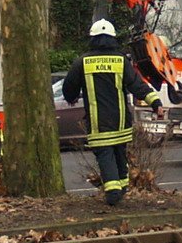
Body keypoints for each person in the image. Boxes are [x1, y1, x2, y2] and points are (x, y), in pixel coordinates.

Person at [63, 19, 165, 205]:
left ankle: (113, 194)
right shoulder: (121, 61)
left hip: (98, 122)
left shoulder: (82, 62)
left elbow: (69, 88)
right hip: (121, 122)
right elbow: (137, 85)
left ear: (92, 39)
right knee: (119, 152)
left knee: (105, 155)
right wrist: (155, 102)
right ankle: (122, 187)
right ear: (113, 39)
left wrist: (71, 98)